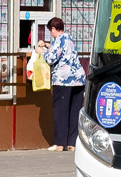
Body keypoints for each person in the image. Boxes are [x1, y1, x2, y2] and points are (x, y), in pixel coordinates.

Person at [37, 17, 88, 151]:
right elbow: (62, 50)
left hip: (64, 80)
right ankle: (72, 143)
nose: (51, 33)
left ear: (53, 29)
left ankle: (60, 144)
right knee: (74, 111)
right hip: (79, 79)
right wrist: (48, 45)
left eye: (50, 31)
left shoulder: (58, 40)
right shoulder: (68, 38)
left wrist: (41, 52)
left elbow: (51, 59)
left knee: (61, 111)